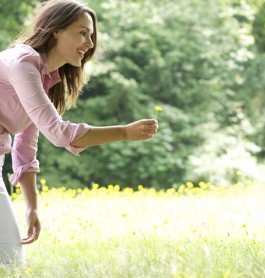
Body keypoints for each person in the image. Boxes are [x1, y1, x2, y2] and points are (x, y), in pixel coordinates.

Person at [0, 0, 158, 264]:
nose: (89, 43)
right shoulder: (22, 64)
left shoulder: (44, 79)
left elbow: (25, 148)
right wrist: (124, 133)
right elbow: (59, 133)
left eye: (92, 36)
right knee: (10, 261)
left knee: (10, 261)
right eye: (82, 33)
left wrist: (32, 208)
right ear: (56, 31)